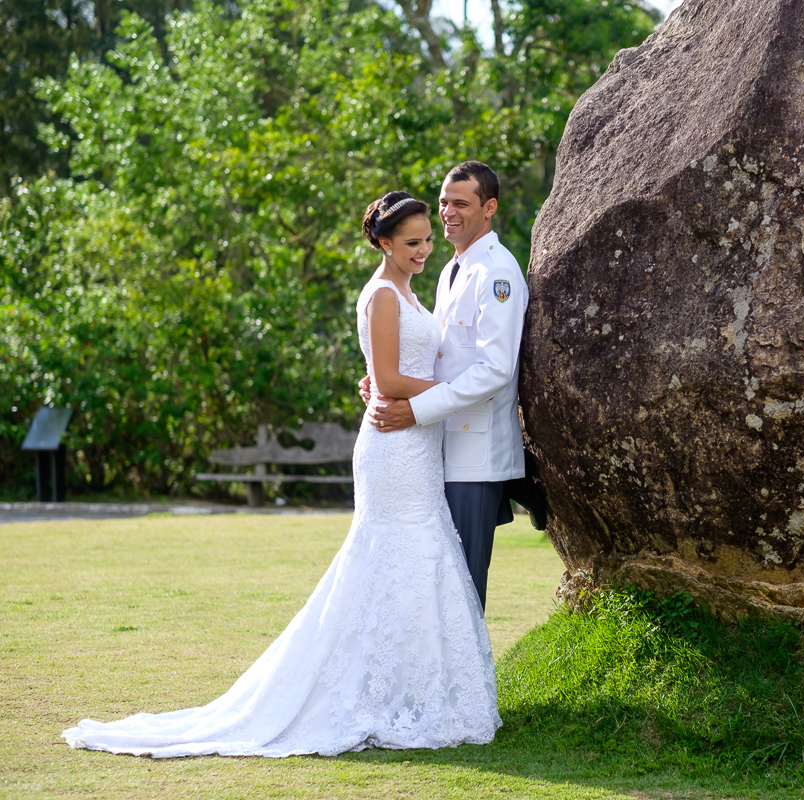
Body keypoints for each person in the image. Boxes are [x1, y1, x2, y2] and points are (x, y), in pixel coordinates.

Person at [62, 192, 502, 757]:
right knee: (393, 558)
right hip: (394, 448)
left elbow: (392, 372)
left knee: (422, 560)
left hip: (416, 443)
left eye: (426, 240)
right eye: (412, 242)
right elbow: (391, 380)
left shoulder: (413, 294)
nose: (423, 250)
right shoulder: (383, 297)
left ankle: (409, 692)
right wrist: (448, 395)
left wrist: (401, 385)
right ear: (384, 242)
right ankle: (370, 695)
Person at [362, 162, 529, 612]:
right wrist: (384, 380)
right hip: (436, 450)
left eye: (461, 203)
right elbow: (440, 355)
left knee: (463, 590)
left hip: (475, 456)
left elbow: (494, 371)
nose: (448, 212)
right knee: (437, 586)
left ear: (489, 207)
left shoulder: (497, 272)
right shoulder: (450, 270)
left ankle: (471, 685)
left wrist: (414, 408)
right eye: (443, 202)